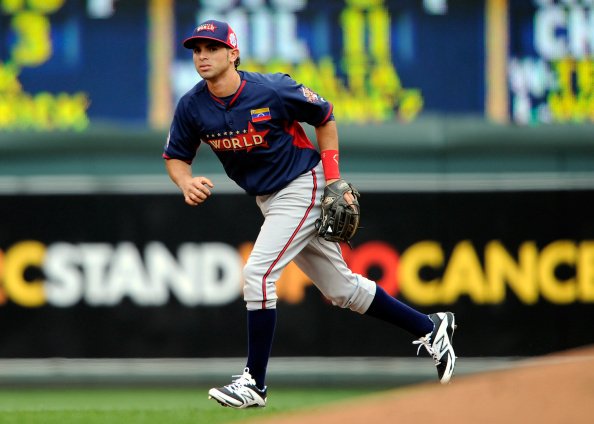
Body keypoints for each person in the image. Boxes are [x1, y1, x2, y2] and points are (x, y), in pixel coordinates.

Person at [163, 19, 457, 409]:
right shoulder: (192, 105)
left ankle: (255, 382)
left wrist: (334, 179)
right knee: (341, 289)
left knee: (258, 273)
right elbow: (175, 157)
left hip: (304, 184)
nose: (202, 56)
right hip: (268, 198)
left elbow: (324, 115)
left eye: (212, 48)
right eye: (197, 50)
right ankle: (431, 327)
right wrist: (184, 182)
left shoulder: (271, 88)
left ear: (233, 53)